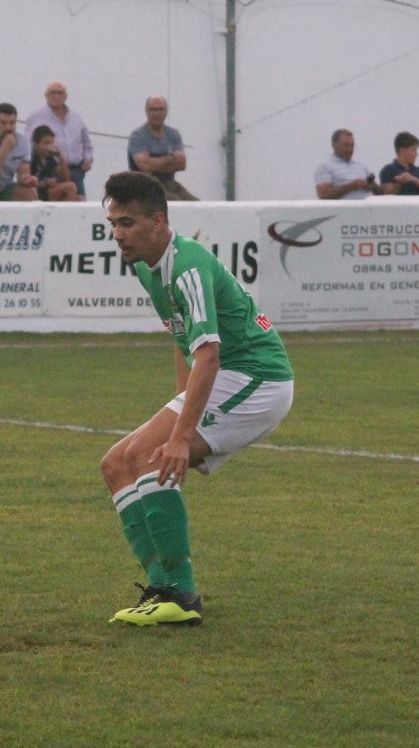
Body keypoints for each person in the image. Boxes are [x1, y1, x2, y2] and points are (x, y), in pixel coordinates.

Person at [99, 171, 294, 627]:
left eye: (127, 223)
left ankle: (182, 596)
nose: (117, 234)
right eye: (113, 223)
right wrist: (181, 405)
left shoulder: (185, 266)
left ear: (158, 221)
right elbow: (184, 340)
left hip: (257, 378)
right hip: (225, 374)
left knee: (150, 455)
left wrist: (181, 436)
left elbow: (209, 352)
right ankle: (161, 588)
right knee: (115, 463)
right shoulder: (149, 266)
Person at [25, 81, 93, 197]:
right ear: (46, 96)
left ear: (66, 96)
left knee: (79, 201)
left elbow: (86, 142)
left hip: (76, 170)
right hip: (50, 170)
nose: (56, 96)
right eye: (53, 93)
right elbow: (27, 144)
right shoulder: (36, 117)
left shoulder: (76, 117)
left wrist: (88, 158)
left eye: (60, 93)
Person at [127, 96, 197, 201]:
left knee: (195, 204)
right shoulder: (138, 136)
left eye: (160, 109)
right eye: (153, 110)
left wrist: (153, 162)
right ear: (146, 111)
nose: (156, 114)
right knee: (173, 202)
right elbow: (145, 167)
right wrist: (170, 157)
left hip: (170, 183)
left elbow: (182, 164)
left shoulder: (173, 134)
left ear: (166, 111)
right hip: (145, 186)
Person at [314, 128, 379, 200]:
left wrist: (370, 185)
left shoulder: (361, 166)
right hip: (344, 210)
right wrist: (351, 186)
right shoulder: (325, 166)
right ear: (334, 145)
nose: (350, 149)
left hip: (369, 208)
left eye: (352, 145)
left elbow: (379, 191)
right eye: (346, 145)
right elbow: (324, 195)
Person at [30, 125, 83, 202]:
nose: (49, 147)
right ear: (36, 145)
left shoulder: (50, 159)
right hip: (38, 193)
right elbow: (28, 182)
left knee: (79, 199)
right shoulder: (31, 159)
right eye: (46, 143)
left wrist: (60, 155)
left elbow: (66, 177)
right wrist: (45, 183)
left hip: (50, 191)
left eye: (51, 143)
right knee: (71, 186)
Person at [378, 131, 419, 196]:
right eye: (414, 150)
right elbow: (385, 192)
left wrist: (413, 179)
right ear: (403, 150)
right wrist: (400, 183)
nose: (416, 154)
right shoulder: (388, 169)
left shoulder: (418, 170)